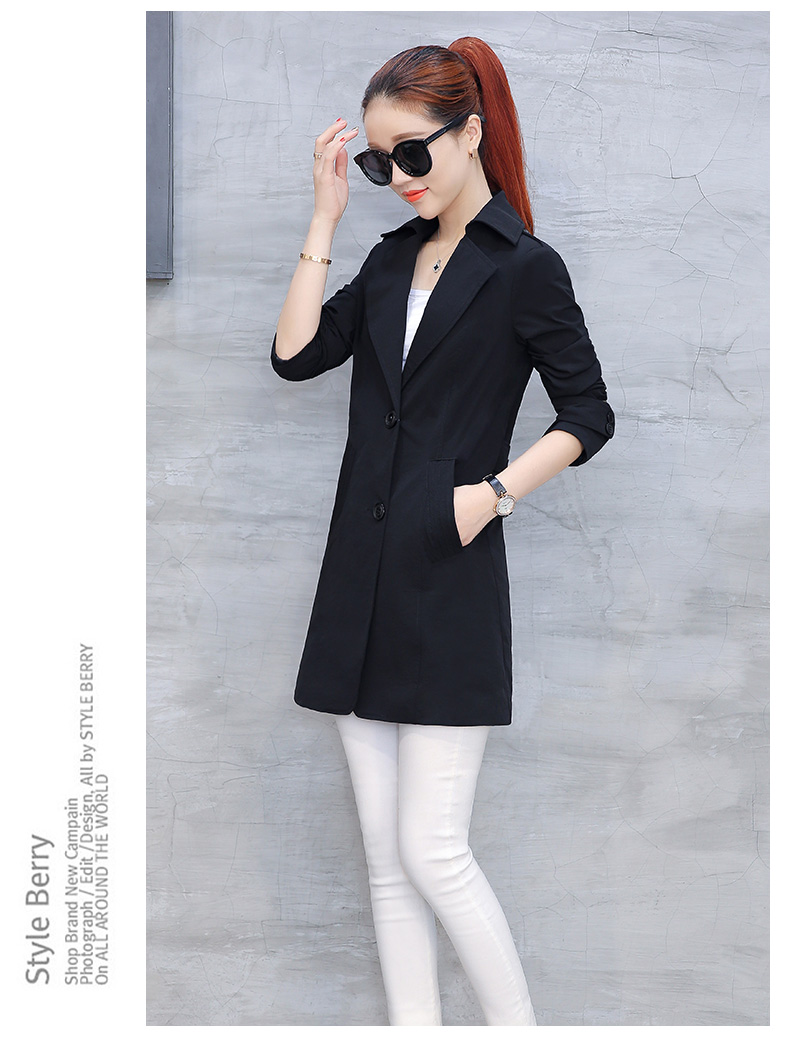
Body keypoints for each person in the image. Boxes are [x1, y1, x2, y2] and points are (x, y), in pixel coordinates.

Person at [271, 37, 614, 1027]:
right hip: (358, 580)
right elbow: (295, 356)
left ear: (469, 133)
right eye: (380, 162)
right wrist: (326, 217)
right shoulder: (388, 261)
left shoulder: (524, 269)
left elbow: (587, 414)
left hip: (446, 577)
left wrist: (489, 495)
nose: (398, 177)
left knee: (433, 851)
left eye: (411, 154)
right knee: (387, 864)